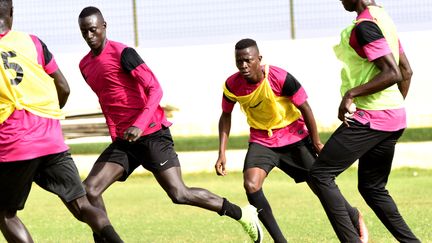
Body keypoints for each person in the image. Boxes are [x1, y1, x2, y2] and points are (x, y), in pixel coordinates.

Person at [77, 6, 263, 243]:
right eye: (84, 32)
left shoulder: (124, 53)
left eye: (93, 30)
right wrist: (116, 134)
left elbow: (155, 88)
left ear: (104, 26)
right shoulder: (85, 65)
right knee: (90, 190)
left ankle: (242, 214)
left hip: (152, 133)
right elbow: (106, 100)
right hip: (125, 141)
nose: (89, 36)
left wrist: (139, 124)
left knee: (179, 193)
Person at [215, 38, 367, 243]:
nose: (243, 65)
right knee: (251, 185)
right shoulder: (232, 85)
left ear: (259, 59)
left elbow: (305, 108)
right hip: (262, 140)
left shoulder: (280, 77)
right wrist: (222, 153)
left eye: (248, 60)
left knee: (320, 186)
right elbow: (225, 115)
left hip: (294, 137)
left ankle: (352, 215)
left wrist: (316, 142)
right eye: (239, 61)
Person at [0, 1, 123, 242]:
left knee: (5, 213)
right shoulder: (33, 42)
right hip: (51, 137)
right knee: (81, 204)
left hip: (15, 143)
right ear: (12, 12)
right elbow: (63, 88)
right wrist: (45, 116)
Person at [308, 0, 420, 242]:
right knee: (372, 188)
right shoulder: (383, 19)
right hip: (393, 118)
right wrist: (393, 107)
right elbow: (407, 71)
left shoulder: (365, 26)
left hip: (374, 117)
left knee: (320, 175)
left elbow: (393, 73)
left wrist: (350, 95)